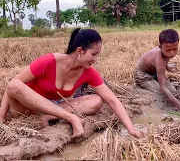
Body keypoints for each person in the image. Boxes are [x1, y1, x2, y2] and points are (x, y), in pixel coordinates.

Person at [0, 28, 143, 139]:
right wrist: (1, 117)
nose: (96, 59)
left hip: (54, 108)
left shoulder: (89, 72)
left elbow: (112, 100)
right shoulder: (49, 61)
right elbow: (11, 87)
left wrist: (131, 129)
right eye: (93, 54)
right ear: (80, 50)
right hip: (26, 109)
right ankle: (71, 117)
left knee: (96, 100)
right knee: (15, 85)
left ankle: (49, 117)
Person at [133, 29, 180, 114]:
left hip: (155, 73)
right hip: (142, 76)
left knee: (174, 92)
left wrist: (167, 67)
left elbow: (163, 62)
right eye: (168, 50)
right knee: (161, 94)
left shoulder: (165, 52)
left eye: (175, 49)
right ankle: (139, 88)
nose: (172, 53)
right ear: (160, 47)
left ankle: (154, 82)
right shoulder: (159, 59)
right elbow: (163, 88)